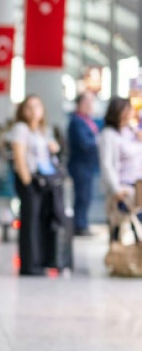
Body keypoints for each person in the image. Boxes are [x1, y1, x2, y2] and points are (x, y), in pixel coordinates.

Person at [10, 95, 64, 276]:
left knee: (43, 220)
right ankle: (29, 264)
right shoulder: (20, 129)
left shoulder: (44, 130)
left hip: (46, 180)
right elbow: (19, 157)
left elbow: (51, 153)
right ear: (23, 110)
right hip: (30, 180)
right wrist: (27, 181)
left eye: (37, 106)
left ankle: (42, 259)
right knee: (30, 221)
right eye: (29, 107)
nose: (34, 111)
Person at [98, 97, 142, 236]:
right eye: (127, 110)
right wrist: (116, 189)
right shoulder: (108, 135)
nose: (130, 113)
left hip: (138, 187)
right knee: (120, 231)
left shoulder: (131, 132)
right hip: (123, 189)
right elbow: (106, 164)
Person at [67, 92, 100, 236]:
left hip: (88, 164)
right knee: (82, 196)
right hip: (80, 164)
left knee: (86, 195)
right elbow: (84, 143)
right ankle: (79, 225)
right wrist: (98, 142)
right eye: (87, 102)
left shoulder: (87, 120)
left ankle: (82, 223)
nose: (90, 105)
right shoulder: (76, 121)